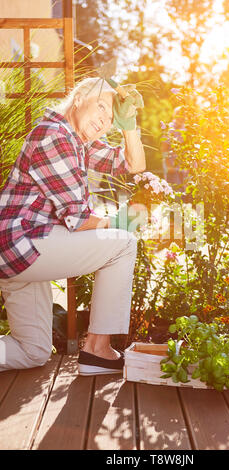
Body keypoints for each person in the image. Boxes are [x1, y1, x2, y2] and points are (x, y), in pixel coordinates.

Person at [0, 77, 146, 375]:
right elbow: (78, 221)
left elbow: (134, 165)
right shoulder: (56, 136)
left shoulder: (77, 141)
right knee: (123, 243)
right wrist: (122, 222)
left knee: (33, 352)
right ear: (79, 97)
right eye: (101, 108)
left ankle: (95, 351)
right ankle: (97, 351)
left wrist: (129, 126)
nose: (104, 121)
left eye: (109, 119)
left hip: (25, 250)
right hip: (21, 243)